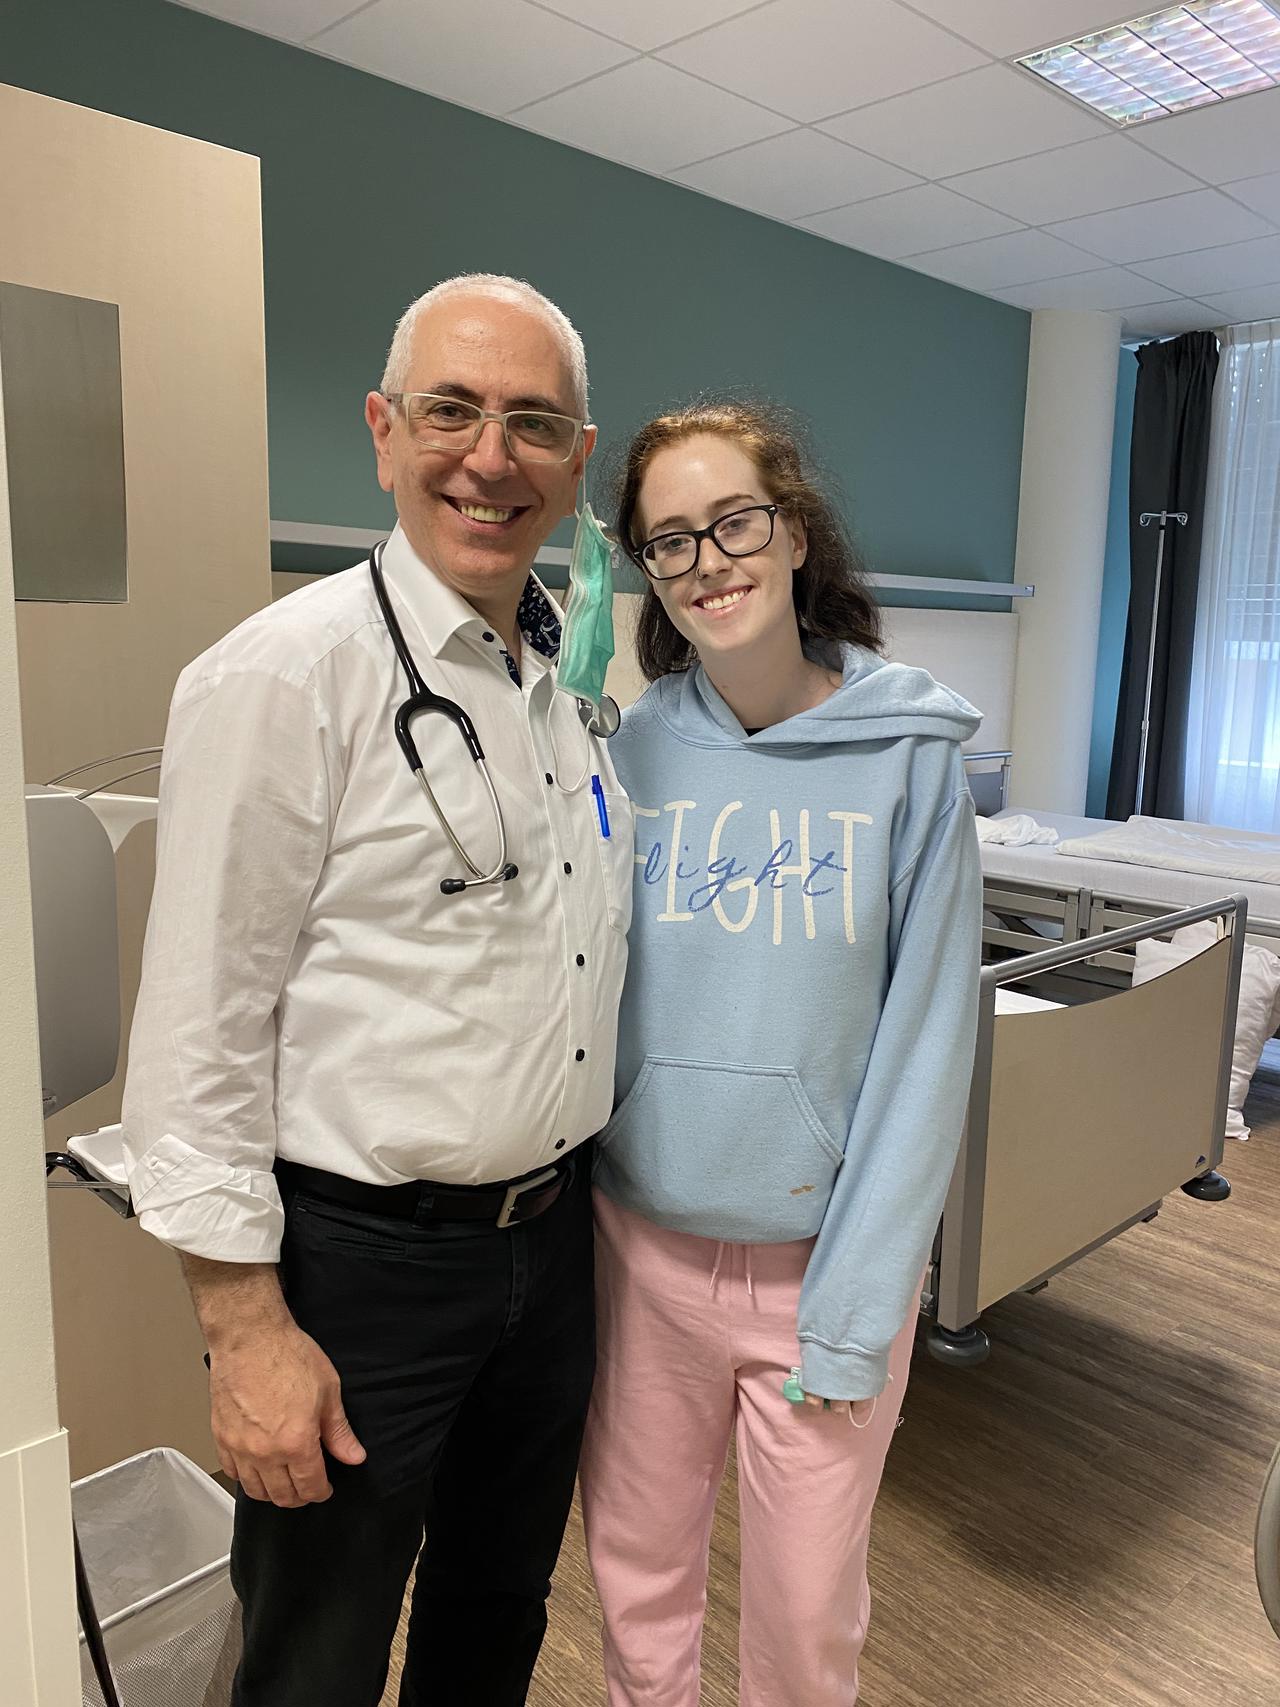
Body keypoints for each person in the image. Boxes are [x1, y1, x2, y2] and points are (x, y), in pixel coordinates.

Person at [121, 274, 632, 1707]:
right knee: (318, 1657)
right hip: (361, 1273)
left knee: (495, 1615)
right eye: (451, 410)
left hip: (552, 1251)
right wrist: (243, 1331)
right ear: (382, 431)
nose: (491, 457)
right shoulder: (286, 676)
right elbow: (198, 1030)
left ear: (578, 458)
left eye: (534, 423)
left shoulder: (566, 684)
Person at [577, 399, 982, 1705]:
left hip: (824, 1275)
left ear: (795, 533)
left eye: (735, 522)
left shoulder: (912, 760)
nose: (708, 562)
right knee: (637, 1585)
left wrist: (858, 1311)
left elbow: (928, 1046)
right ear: (649, 571)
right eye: (671, 540)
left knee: (805, 1626)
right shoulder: (629, 753)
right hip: (640, 1255)